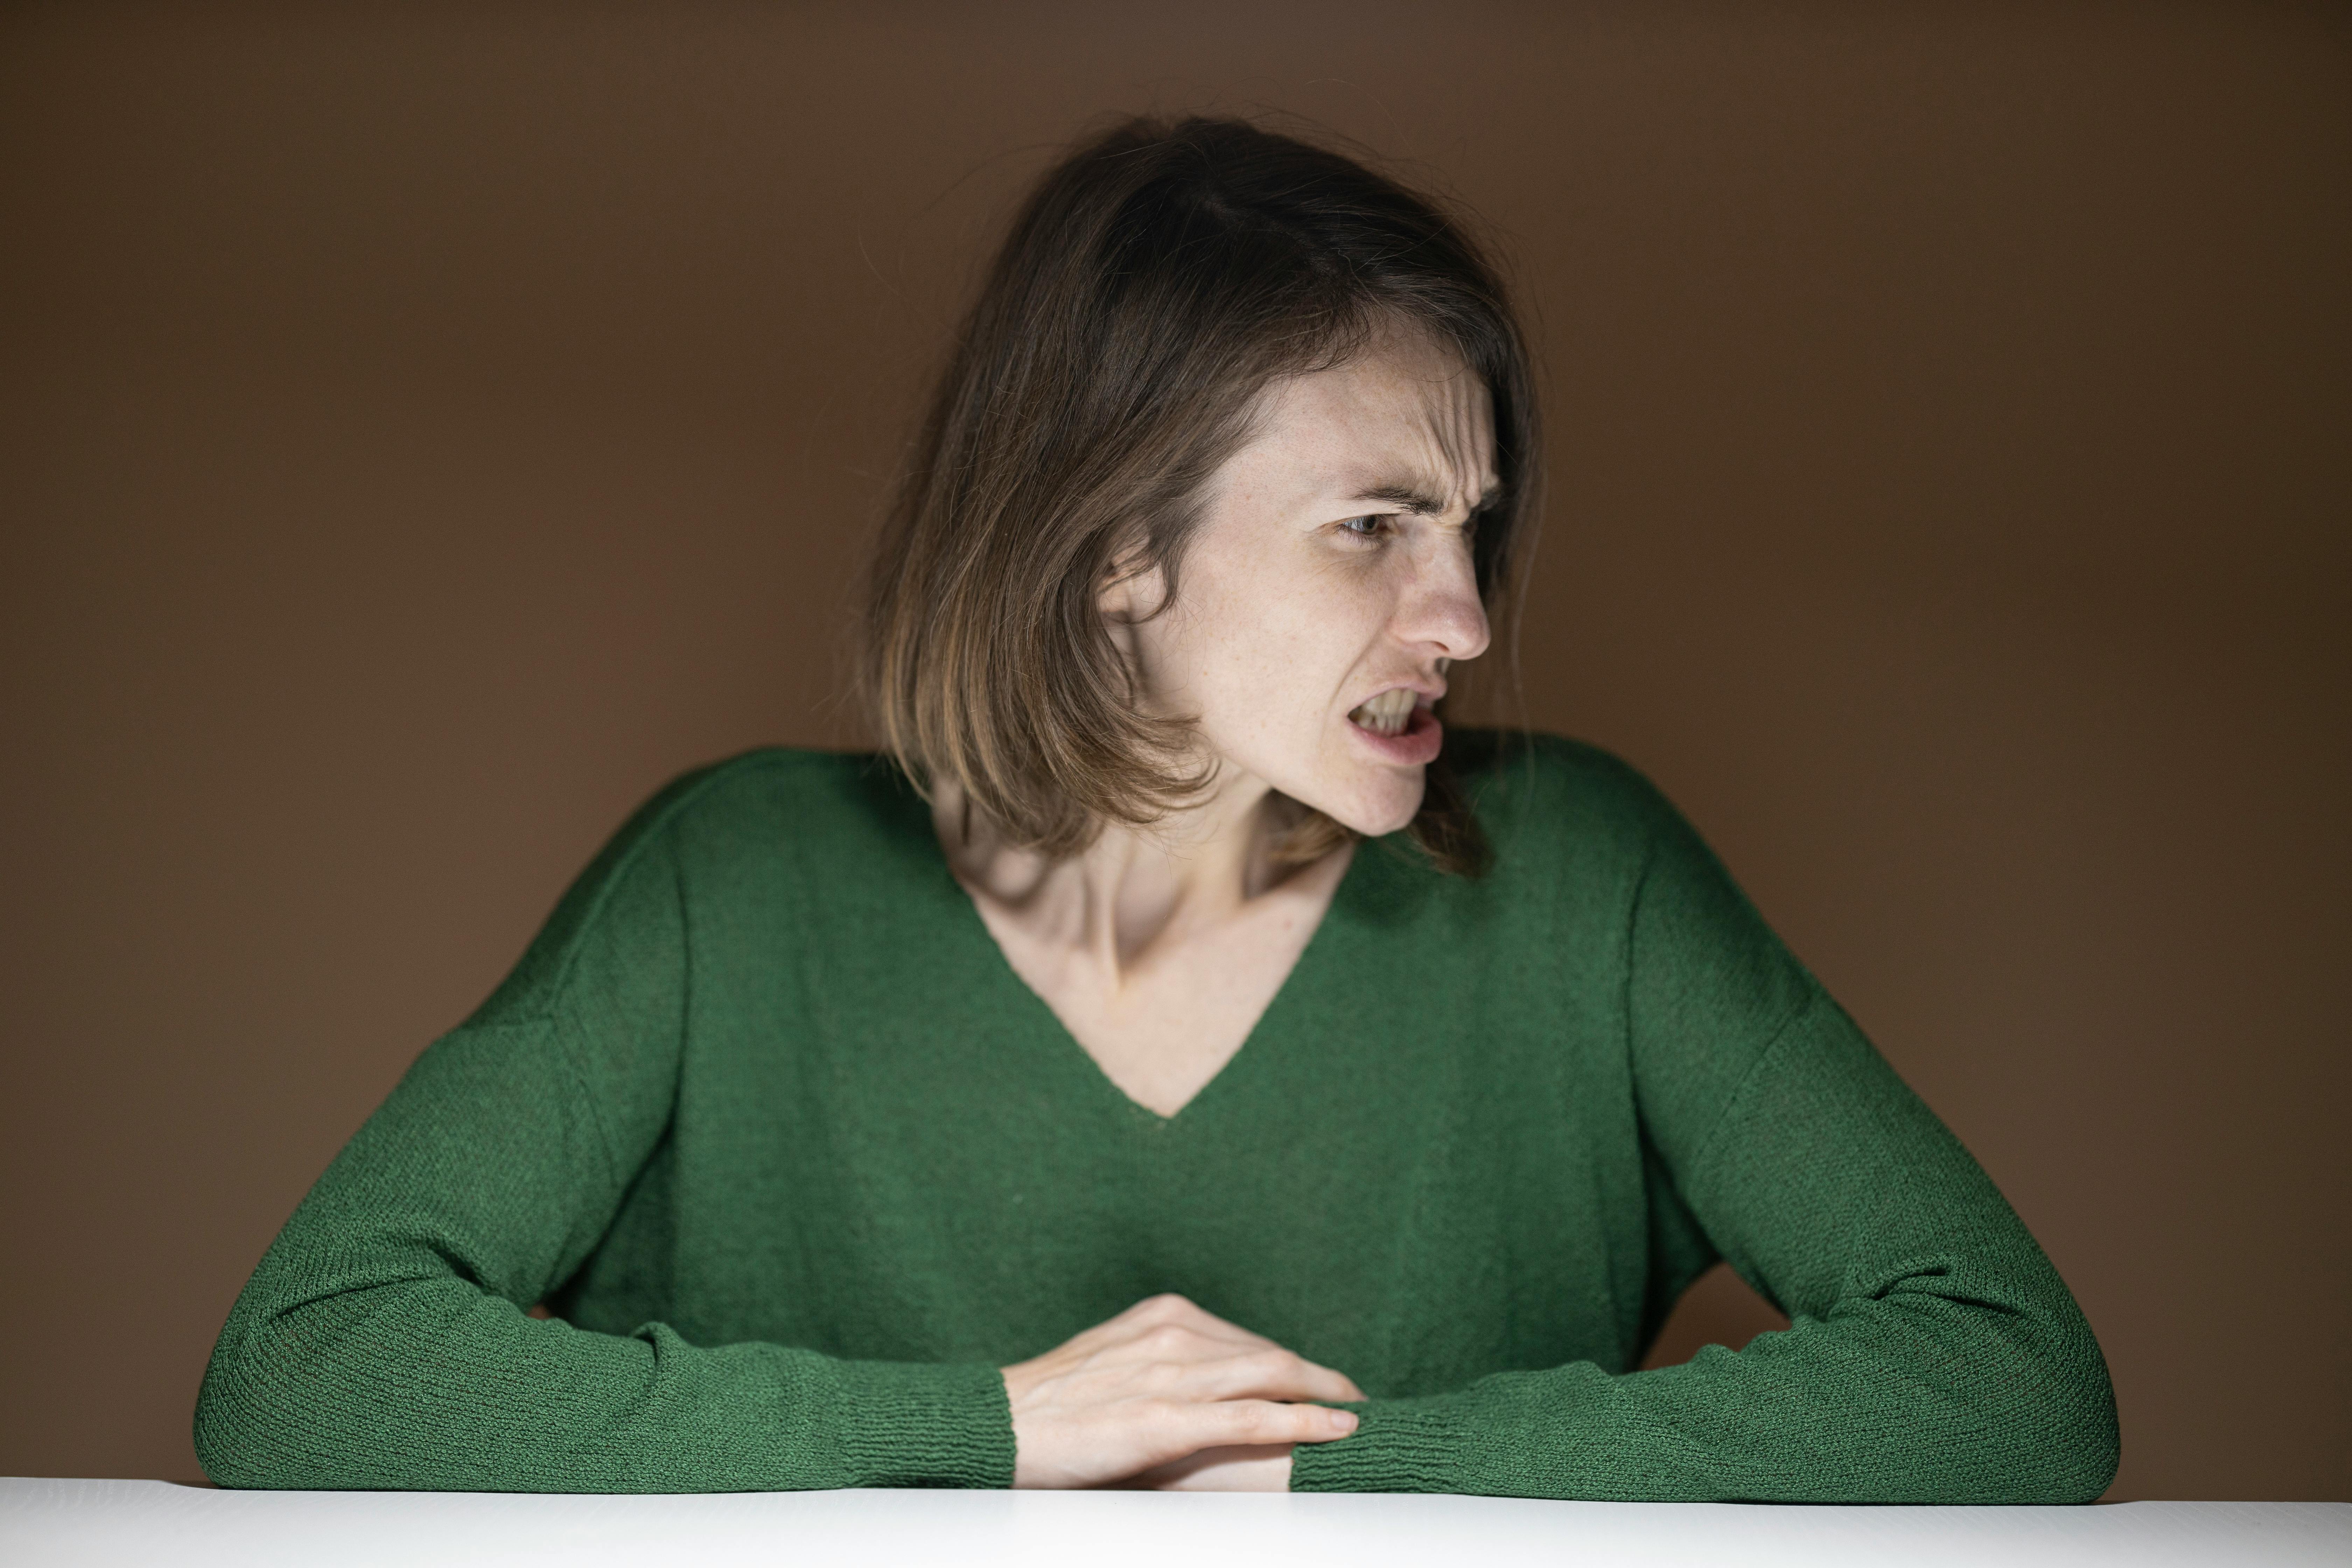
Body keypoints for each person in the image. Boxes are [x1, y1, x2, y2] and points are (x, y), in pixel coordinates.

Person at [194, 116, 2119, 1500]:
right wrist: (987, 1432)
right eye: (1373, 527)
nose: (1460, 618)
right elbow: (304, 1371)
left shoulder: (1589, 877)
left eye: (1473, 528)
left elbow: (2014, 1383)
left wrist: (1350, 1465)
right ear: (1119, 549)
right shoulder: (732, 885)